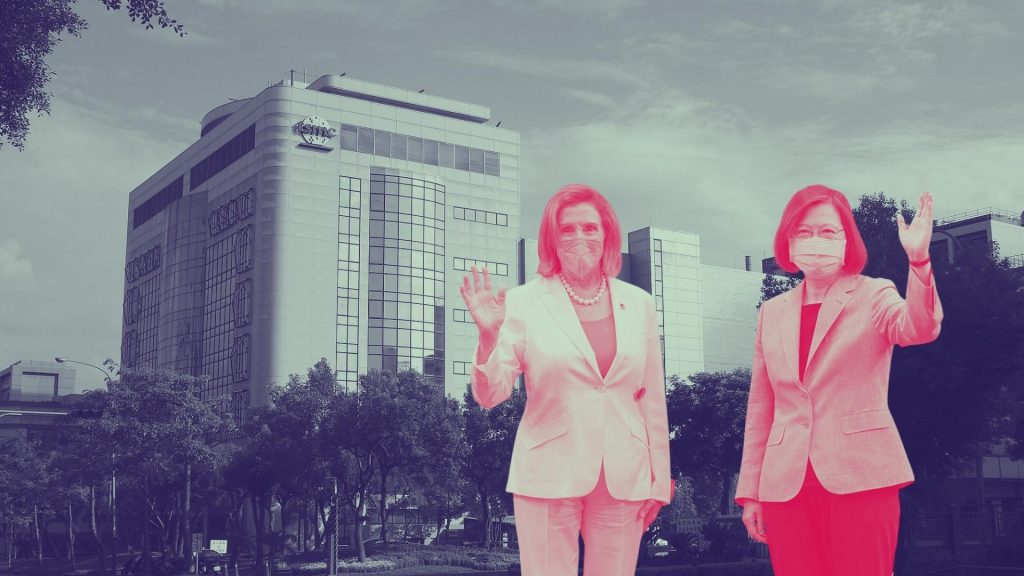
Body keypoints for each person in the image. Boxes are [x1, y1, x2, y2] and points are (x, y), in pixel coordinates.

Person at [461, 184, 672, 576]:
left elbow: (652, 397)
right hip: (547, 471)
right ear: (551, 239)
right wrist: (488, 336)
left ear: (607, 234)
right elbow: (491, 394)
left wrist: (659, 480)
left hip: (624, 475)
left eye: (590, 228)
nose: (579, 238)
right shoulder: (523, 302)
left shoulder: (638, 304)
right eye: (567, 229)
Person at [735, 185, 943, 575]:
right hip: (785, 485)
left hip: (861, 476)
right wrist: (751, 493)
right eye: (804, 232)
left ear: (847, 239)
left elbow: (919, 327)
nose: (816, 241)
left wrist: (918, 261)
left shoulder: (874, 293)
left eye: (828, 232)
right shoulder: (772, 312)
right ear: (788, 241)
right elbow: (761, 407)